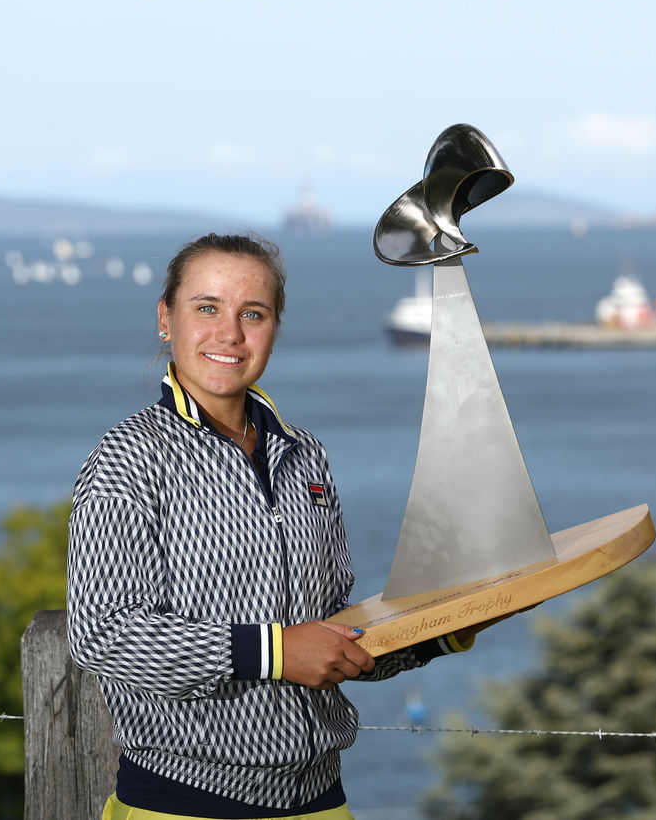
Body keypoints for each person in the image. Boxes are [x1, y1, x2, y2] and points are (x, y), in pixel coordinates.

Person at [68, 232, 506, 820]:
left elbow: (329, 637)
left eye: (253, 313)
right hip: (187, 804)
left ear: (274, 327)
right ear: (165, 319)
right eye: (207, 308)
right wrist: (274, 651)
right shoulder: (129, 457)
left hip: (321, 803)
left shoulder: (305, 455)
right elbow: (103, 633)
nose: (230, 333)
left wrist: (444, 631)